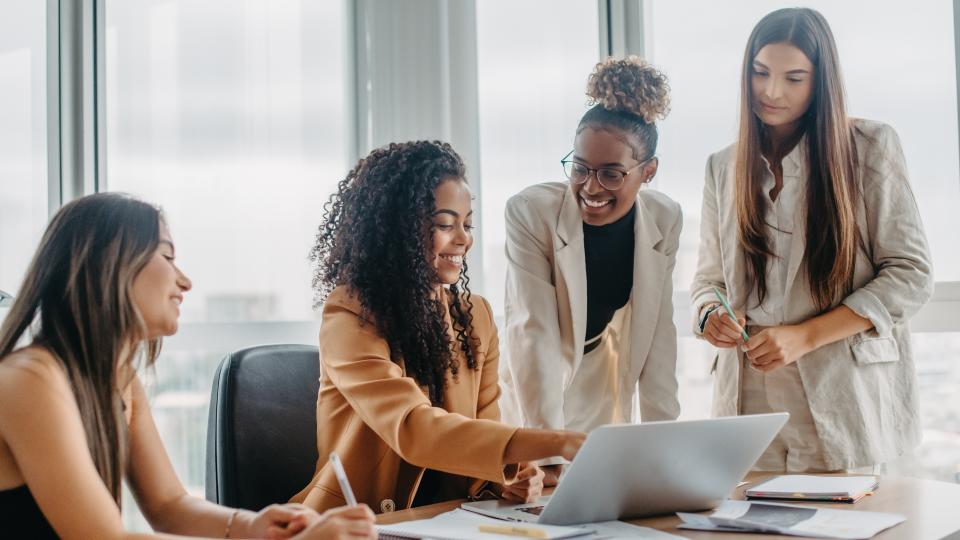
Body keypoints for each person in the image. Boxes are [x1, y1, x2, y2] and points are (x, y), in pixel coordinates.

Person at [0, 193, 376, 539]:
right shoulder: (30, 380)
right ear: (109, 263)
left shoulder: (120, 380)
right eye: (166, 257)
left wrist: (251, 525)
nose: (185, 281)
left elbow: (167, 504)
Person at [692, 7, 933, 472]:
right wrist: (710, 313)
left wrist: (805, 336)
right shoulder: (722, 166)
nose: (772, 91)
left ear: (822, 81)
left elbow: (912, 274)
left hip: (841, 395)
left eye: (794, 78)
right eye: (760, 73)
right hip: (748, 405)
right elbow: (709, 278)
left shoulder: (869, 146)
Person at [292, 140, 585, 513]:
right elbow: (414, 428)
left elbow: (483, 433)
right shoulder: (350, 315)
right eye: (445, 224)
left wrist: (511, 475)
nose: (463, 239)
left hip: (447, 522)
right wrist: (556, 442)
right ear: (398, 232)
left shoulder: (475, 318)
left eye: (467, 224)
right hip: (356, 524)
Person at [499, 57, 682, 483]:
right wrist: (546, 453)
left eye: (612, 174)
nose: (591, 187)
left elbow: (659, 337)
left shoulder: (666, 218)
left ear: (648, 171)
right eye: (579, 168)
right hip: (534, 393)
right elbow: (534, 335)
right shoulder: (530, 212)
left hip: (602, 386)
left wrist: (670, 452)